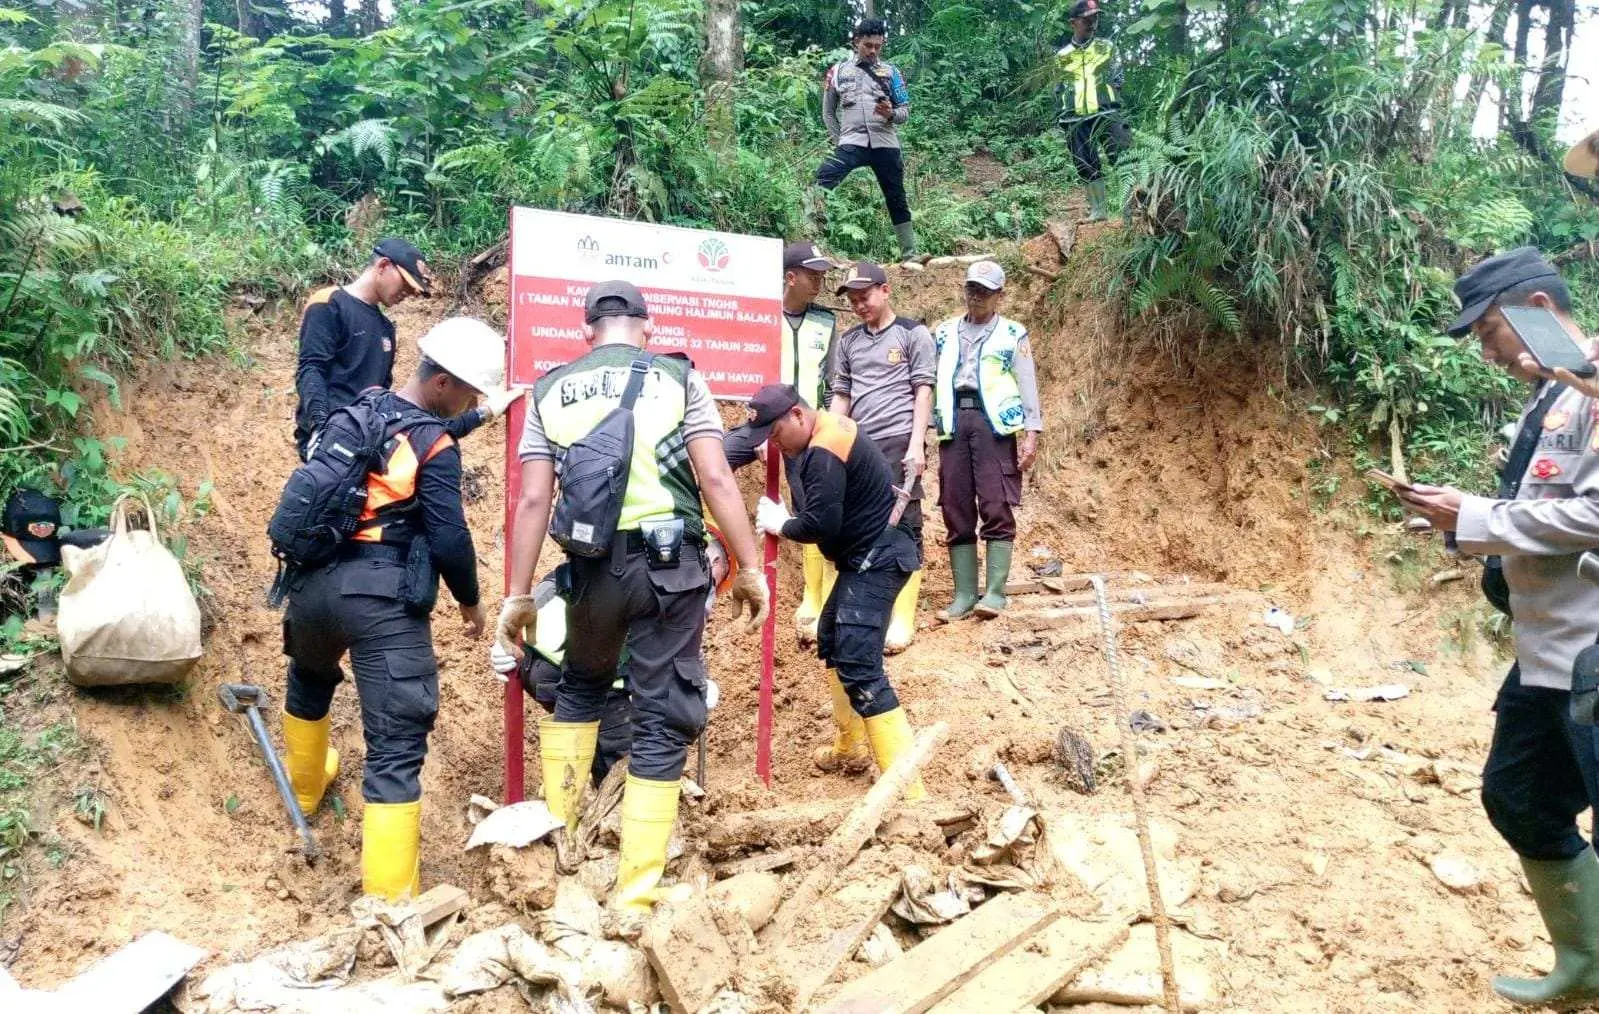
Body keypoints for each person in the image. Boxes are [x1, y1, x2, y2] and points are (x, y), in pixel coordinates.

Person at [496, 280, 769, 916]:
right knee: (661, 716)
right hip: (669, 572)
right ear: (647, 327)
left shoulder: (550, 389)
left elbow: (533, 499)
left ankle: (561, 858)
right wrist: (750, 566)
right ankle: (636, 892)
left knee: (581, 689)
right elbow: (715, 476)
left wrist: (518, 594)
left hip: (590, 571)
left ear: (587, 331)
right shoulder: (677, 379)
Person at [1397, 247, 1599, 1006]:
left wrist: (1478, 516)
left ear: (1537, 309)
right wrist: (1459, 519)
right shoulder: (1550, 397)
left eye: (1488, 331)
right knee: (1518, 797)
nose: (1486, 351)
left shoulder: (1592, 392)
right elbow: (1541, 510)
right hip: (1544, 649)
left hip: (1591, 650)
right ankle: (1587, 965)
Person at [279, 316, 499, 901]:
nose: (469, 404)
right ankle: (390, 901)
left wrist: (482, 415)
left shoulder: (361, 408)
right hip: (379, 597)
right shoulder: (436, 446)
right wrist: (471, 603)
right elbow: (449, 538)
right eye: (470, 394)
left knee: (309, 678)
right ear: (443, 382)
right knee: (397, 745)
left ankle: (304, 791)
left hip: (311, 586)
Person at [748, 384, 926, 798]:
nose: (774, 444)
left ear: (797, 415)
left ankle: (909, 790)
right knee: (831, 637)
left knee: (861, 666)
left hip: (878, 559)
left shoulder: (824, 449)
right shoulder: (826, 430)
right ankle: (851, 748)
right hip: (867, 557)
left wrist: (782, 524)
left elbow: (821, 524)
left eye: (775, 434)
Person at [488, 527, 735, 787]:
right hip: (589, 675)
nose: (711, 592)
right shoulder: (680, 578)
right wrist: (694, 686)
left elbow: (552, 585)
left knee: (586, 740)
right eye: (717, 582)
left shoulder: (617, 553)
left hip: (535, 666)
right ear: (715, 561)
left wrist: (509, 638)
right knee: (629, 766)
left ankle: (573, 801)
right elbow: (663, 650)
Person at [293, 238, 520, 460]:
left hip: (365, 439)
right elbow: (312, 369)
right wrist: (321, 429)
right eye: (406, 284)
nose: (409, 293)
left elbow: (383, 396)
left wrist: (484, 411)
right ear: (383, 265)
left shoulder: (385, 328)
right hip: (332, 442)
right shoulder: (329, 303)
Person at [724, 241, 842, 644]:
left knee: (814, 505)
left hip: (806, 427)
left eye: (822, 274)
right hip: (761, 421)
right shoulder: (760, 315)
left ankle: (817, 595)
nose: (820, 282)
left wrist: (828, 426)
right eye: (813, 275)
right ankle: (712, 548)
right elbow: (745, 371)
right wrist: (762, 429)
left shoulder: (825, 321)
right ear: (790, 277)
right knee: (715, 458)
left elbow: (832, 381)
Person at [930, 261, 1043, 620]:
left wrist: (1031, 432)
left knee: (995, 501)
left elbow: (1027, 382)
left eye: (984, 291)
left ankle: (995, 593)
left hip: (993, 425)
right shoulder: (944, 332)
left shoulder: (1012, 333)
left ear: (1000, 295)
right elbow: (929, 379)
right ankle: (964, 594)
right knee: (955, 503)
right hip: (953, 422)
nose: (976, 296)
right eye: (972, 289)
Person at [831, 261, 934, 654]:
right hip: (859, 445)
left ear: (886, 290)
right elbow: (842, 394)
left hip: (898, 440)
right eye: (853, 300)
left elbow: (923, 389)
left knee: (904, 525)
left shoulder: (912, 333)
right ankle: (870, 607)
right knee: (862, 525)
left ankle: (903, 617)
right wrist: (829, 442)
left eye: (865, 297)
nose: (860, 305)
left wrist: (916, 443)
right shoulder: (848, 341)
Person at [816, 18, 918, 262]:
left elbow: (905, 111)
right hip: (852, 142)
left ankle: (910, 255)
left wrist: (891, 113)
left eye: (878, 47)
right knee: (820, 181)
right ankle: (810, 241)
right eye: (868, 45)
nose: (873, 51)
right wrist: (839, 140)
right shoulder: (837, 72)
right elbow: (828, 113)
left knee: (896, 197)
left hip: (886, 143)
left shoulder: (892, 73)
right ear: (856, 42)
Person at [1055, 0, 1129, 222]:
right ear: (1073, 23)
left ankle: (1131, 210)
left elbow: (1118, 78)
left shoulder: (1106, 47)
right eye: (1087, 19)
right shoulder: (1062, 56)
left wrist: (1107, 97)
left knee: (1123, 158)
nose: (1092, 23)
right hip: (1074, 117)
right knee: (1085, 163)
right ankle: (1098, 210)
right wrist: (1062, 115)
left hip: (1107, 113)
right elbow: (1057, 88)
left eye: (1095, 18)